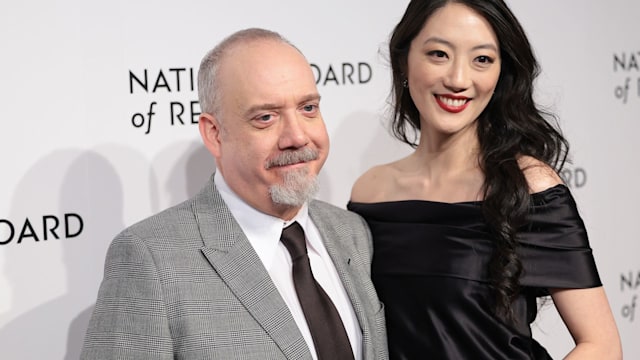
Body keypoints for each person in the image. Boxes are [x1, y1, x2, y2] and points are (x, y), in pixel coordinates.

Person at [81, 28, 388, 360]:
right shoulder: (151, 261)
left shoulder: (352, 232)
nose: (297, 136)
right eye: (266, 118)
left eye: (308, 108)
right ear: (214, 134)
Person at [347, 1, 622, 359]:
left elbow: (601, 345)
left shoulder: (528, 185)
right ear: (404, 60)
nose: (459, 79)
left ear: (500, 74)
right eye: (439, 54)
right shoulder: (371, 191)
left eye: (482, 60)